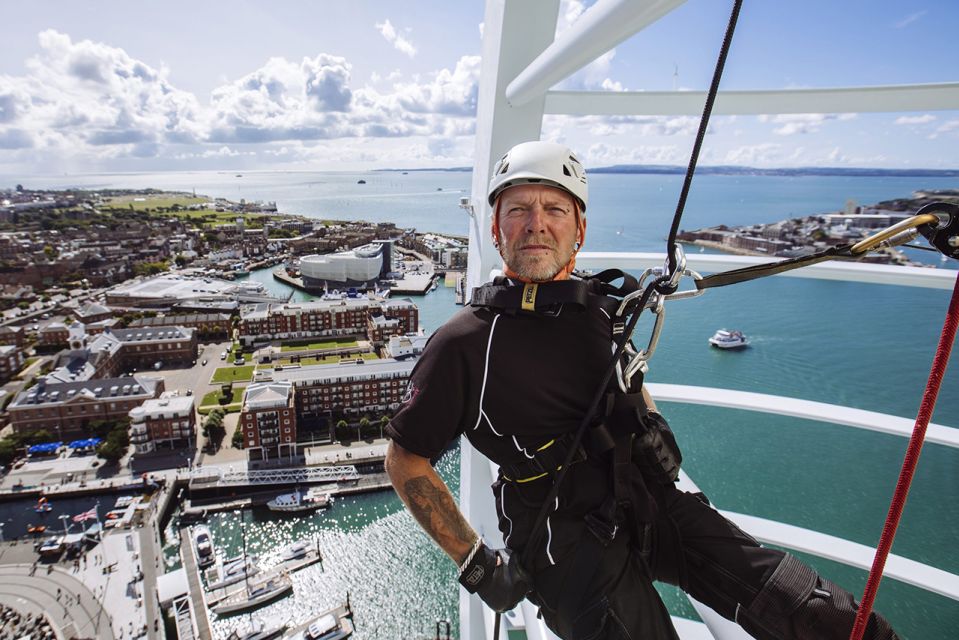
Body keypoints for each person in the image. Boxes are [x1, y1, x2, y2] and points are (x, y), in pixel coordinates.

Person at [385, 140, 898, 640]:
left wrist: (653, 426)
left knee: (816, 613)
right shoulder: (465, 343)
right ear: (495, 229)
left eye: (555, 209)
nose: (536, 223)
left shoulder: (603, 310)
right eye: (517, 209)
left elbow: (627, 380)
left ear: (579, 229)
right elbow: (405, 459)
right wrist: (477, 564)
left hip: (648, 497)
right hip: (562, 541)